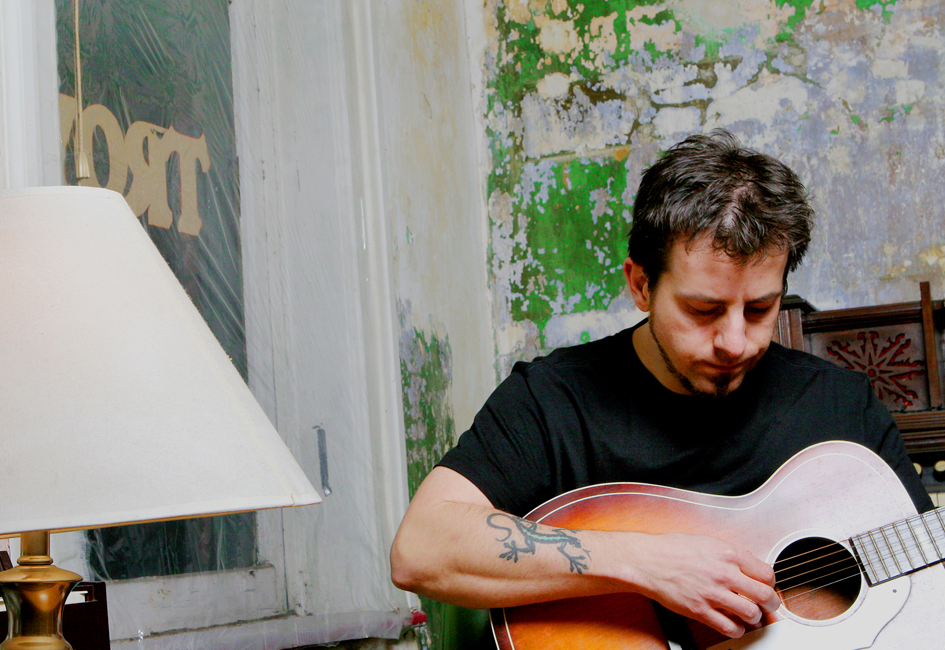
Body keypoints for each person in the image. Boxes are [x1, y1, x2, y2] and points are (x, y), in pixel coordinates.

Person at [389, 130, 931, 641]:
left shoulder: (841, 406)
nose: (735, 342)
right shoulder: (553, 400)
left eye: (760, 309)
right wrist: (647, 563)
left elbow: (926, 583)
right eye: (703, 310)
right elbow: (420, 550)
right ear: (641, 284)